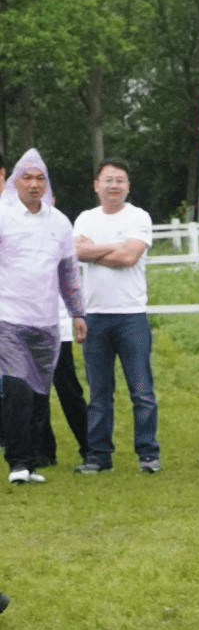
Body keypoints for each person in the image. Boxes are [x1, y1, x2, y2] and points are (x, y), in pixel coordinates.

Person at [0, 149, 87, 484]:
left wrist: (77, 313)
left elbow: (68, 274)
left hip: (46, 321)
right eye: (27, 177)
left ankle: (32, 462)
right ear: (15, 181)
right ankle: (18, 463)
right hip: (8, 317)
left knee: (38, 392)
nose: (34, 184)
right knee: (18, 388)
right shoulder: (3, 215)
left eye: (40, 178)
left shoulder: (59, 222)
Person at [72, 158, 160, 474]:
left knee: (142, 390)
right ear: (96, 185)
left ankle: (148, 454)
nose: (113, 185)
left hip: (131, 316)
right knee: (99, 393)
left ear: (128, 186)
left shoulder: (139, 217)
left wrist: (95, 250)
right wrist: (110, 247)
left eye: (120, 180)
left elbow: (128, 257)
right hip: (94, 315)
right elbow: (75, 253)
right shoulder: (84, 218)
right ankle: (98, 456)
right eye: (108, 180)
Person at [34, 298, 91, 468]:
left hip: (58, 330)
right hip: (30, 328)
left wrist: (77, 315)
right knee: (36, 393)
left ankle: (90, 446)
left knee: (68, 391)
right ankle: (42, 452)